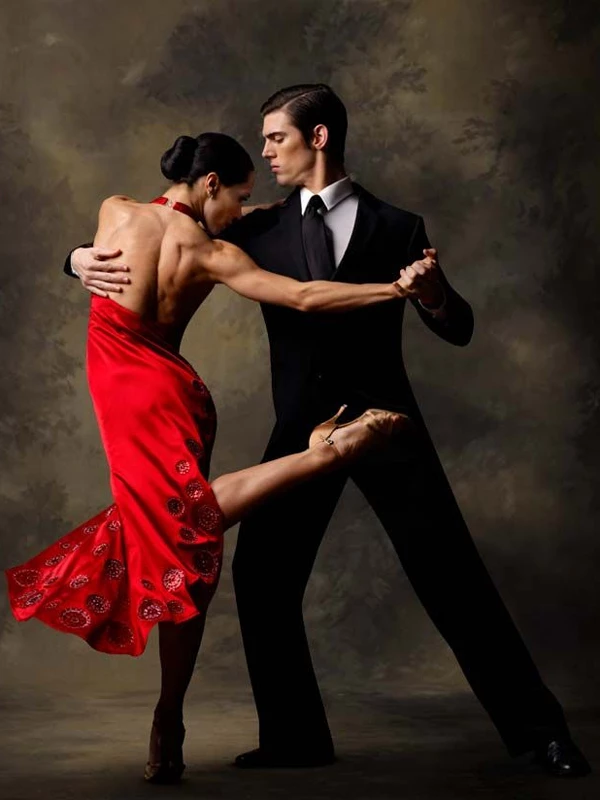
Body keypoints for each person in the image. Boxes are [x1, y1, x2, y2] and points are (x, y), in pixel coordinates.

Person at [65, 85, 591, 779]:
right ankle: (295, 738)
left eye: (276, 138)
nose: (265, 152)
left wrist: (431, 293)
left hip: (385, 421)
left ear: (317, 137)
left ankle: (543, 736)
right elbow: (157, 232)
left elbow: (457, 325)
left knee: (452, 578)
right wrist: (76, 258)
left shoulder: (397, 225)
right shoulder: (254, 228)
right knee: (261, 575)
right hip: (300, 427)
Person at [6, 131, 416, 784]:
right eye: (240, 199)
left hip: (130, 399)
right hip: (173, 395)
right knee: (185, 554)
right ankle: (169, 716)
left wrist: (76, 257)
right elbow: (303, 296)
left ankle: (326, 455)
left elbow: (101, 251)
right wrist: (394, 290)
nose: (242, 213)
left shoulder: (115, 210)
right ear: (211, 185)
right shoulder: (211, 252)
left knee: (184, 532)